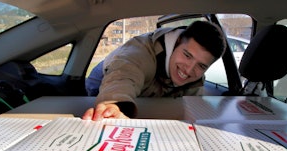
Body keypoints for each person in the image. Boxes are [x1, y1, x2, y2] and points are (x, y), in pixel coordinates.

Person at [83, 20, 227, 120]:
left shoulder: (196, 79)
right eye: (187, 55)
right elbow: (123, 76)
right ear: (176, 42)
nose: (189, 70)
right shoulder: (140, 52)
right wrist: (114, 107)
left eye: (201, 66)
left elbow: (192, 110)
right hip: (105, 78)